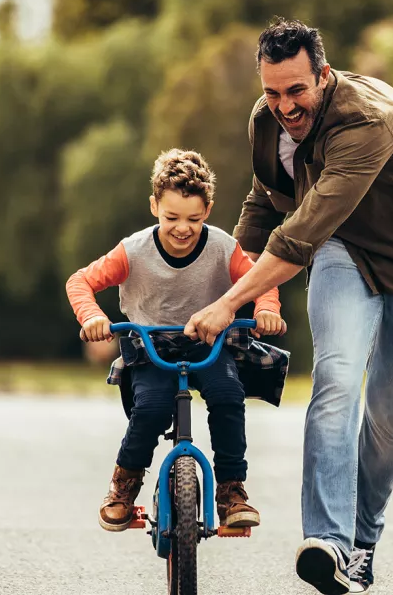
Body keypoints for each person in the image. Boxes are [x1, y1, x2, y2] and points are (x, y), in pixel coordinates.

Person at [183, 18, 393, 595]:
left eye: (297, 90)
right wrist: (216, 277)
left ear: (324, 74)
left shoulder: (365, 121)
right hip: (345, 252)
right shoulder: (266, 121)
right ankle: (329, 544)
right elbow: (266, 201)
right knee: (337, 380)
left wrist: (228, 303)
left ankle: (362, 543)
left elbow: (298, 237)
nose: (285, 106)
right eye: (272, 92)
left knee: (390, 418)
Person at [66, 148, 289, 533]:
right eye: (171, 217)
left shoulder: (222, 247)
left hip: (209, 342)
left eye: (194, 218)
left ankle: (231, 490)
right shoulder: (134, 251)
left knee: (227, 395)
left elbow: (260, 280)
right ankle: (124, 486)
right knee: (150, 409)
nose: (182, 228)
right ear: (154, 206)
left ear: (209, 209)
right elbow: (80, 281)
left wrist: (267, 309)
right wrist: (93, 318)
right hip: (150, 347)